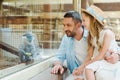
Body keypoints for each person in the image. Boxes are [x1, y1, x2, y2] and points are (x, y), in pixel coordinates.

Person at [51, 10, 120, 80]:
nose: (65, 28)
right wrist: (58, 64)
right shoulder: (66, 39)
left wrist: (117, 55)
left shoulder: (92, 34)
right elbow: (59, 56)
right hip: (78, 74)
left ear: (78, 25)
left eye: (68, 25)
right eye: (64, 25)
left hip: (97, 71)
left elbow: (114, 48)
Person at [81, 5, 120, 80]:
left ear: (94, 20)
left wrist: (85, 65)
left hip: (107, 61)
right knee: (86, 70)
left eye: (84, 20)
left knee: (88, 69)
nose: (82, 23)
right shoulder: (92, 36)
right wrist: (81, 67)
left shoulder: (107, 34)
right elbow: (89, 55)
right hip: (100, 61)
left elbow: (101, 56)